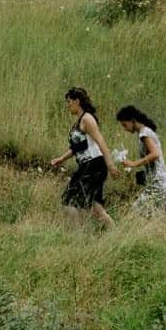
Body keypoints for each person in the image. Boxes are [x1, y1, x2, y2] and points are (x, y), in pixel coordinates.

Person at [49, 87, 117, 227]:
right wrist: (62, 158)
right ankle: (114, 231)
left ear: (77, 101)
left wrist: (110, 165)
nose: (67, 105)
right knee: (93, 205)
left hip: (94, 165)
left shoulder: (87, 119)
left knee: (68, 199)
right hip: (88, 164)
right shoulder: (79, 121)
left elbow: (100, 141)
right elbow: (78, 148)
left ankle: (77, 234)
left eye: (69, 102)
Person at [116, 105, 166, 215]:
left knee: (134, 214)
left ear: (132, 121)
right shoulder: (145, 132)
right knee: (153, 218)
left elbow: (155, 154)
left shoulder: (144, 133)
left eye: (125, 125)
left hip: (158, 184)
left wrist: (134, 163)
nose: (125, 129)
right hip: (161, 183)